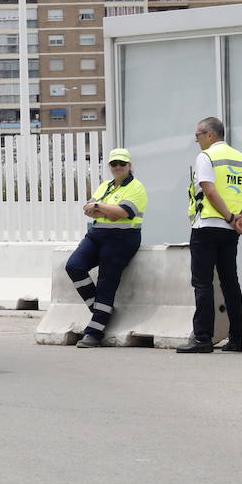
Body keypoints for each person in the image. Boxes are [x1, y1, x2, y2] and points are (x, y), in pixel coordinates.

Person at [178, 118, 242, 354]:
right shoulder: (241, 159)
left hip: (207, 227)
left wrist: (229, 217)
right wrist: (241, 217)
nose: (196, 139)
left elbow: (209, 189)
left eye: (198, 134)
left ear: (210, 135)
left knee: (202, 283)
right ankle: (236, 338)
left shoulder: (206, 157)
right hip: (229, 232)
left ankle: (203, 337)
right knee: (230, 282)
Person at [66, 148, 147, 348]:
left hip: (122, 238)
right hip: (97, 236)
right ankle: (101, 311)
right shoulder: (105, 186)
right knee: (74, 266)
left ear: (129, 165)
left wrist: (99, 207)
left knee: (106, 281)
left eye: (122, 163)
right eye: (114, 164)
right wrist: (102, 209)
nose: (118, 167)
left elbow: (123, 212)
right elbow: (88, 210)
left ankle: (94, 332)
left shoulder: (136, 188)